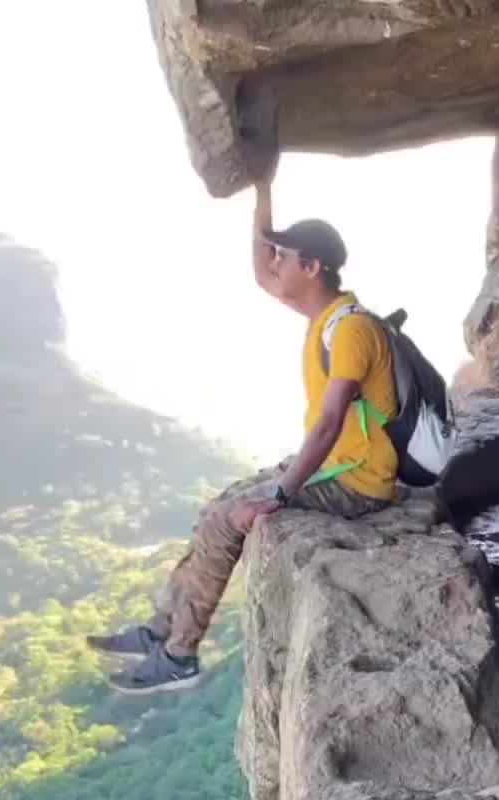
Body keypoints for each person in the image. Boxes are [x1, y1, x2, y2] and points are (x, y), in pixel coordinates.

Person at [88, 191, 399, 694]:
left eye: (285, 257)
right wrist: (263, 193)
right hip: (337, 463)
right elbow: (261, 272)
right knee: (219, 509)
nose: (275, 265)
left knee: (236, 517)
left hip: (360, 480)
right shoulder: (326, 318)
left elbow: (328, 423)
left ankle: (180, 655)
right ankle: (163, 629)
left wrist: (278, 495)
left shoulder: (352, 331)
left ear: (312, 267)